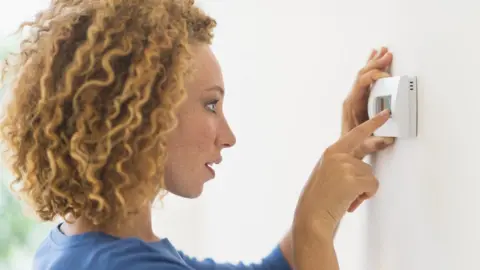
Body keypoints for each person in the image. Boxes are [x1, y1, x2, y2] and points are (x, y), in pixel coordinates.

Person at [0, 0, 395, 269]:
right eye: (211, 105)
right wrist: (311, 224)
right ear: (143, 115)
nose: (228, 136)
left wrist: (342, 159)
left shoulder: (79, 248)